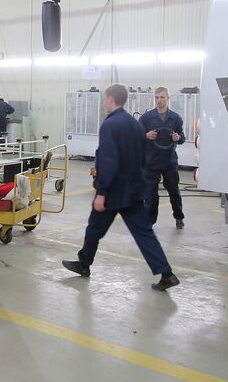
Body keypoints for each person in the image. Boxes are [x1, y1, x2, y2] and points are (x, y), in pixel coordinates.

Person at [62, 84, 179, 291]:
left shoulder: (110, 125)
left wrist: (102, 192)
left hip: (114, 192)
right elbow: (143, 156)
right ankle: (166, 273)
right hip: (134, 191)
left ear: (111, 99)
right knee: (144, 233)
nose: (105, 102)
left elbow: (108, 161)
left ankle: (84, 264)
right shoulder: (135, 125)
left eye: (106, 99)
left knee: (94, 228)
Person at [139, 86, 185, 229]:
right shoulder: (146, 118)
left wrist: (178, 138)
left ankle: (178, 217)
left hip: (169, 161)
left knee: (173, 190)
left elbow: (182, 137)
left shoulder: (175, 118)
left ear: (168, 98)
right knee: (150, 194)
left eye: (162, 97)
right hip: (151, 161)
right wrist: (145, 135)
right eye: (157, 97)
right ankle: (149, 222)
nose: (159, 100)